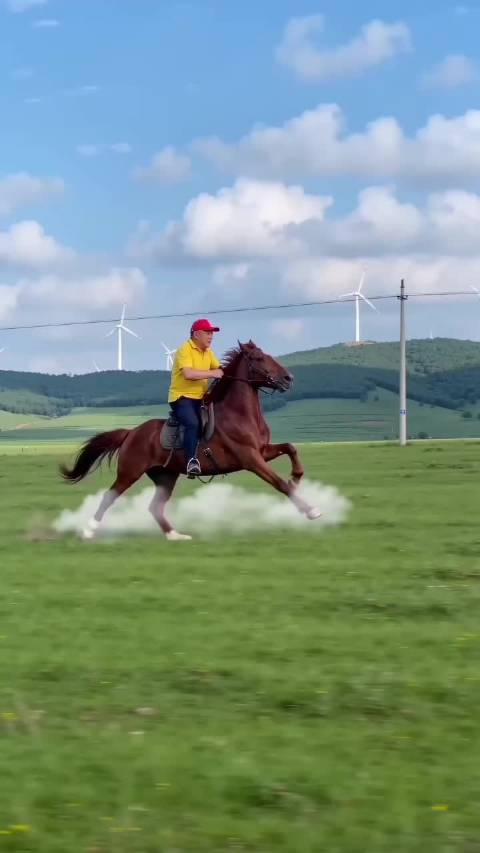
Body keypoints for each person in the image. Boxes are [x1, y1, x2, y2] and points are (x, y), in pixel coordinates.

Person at [167, 318, 223, 476]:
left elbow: (219, 369)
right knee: (193, 423)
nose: (211, 336)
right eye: (208, 332)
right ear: (196, 334)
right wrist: (213, 373)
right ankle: (191, 461)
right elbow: (188, 373)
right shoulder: (185, 349)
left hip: (201, 398)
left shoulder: (208, 352)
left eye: (212, 333)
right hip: (181, 398)